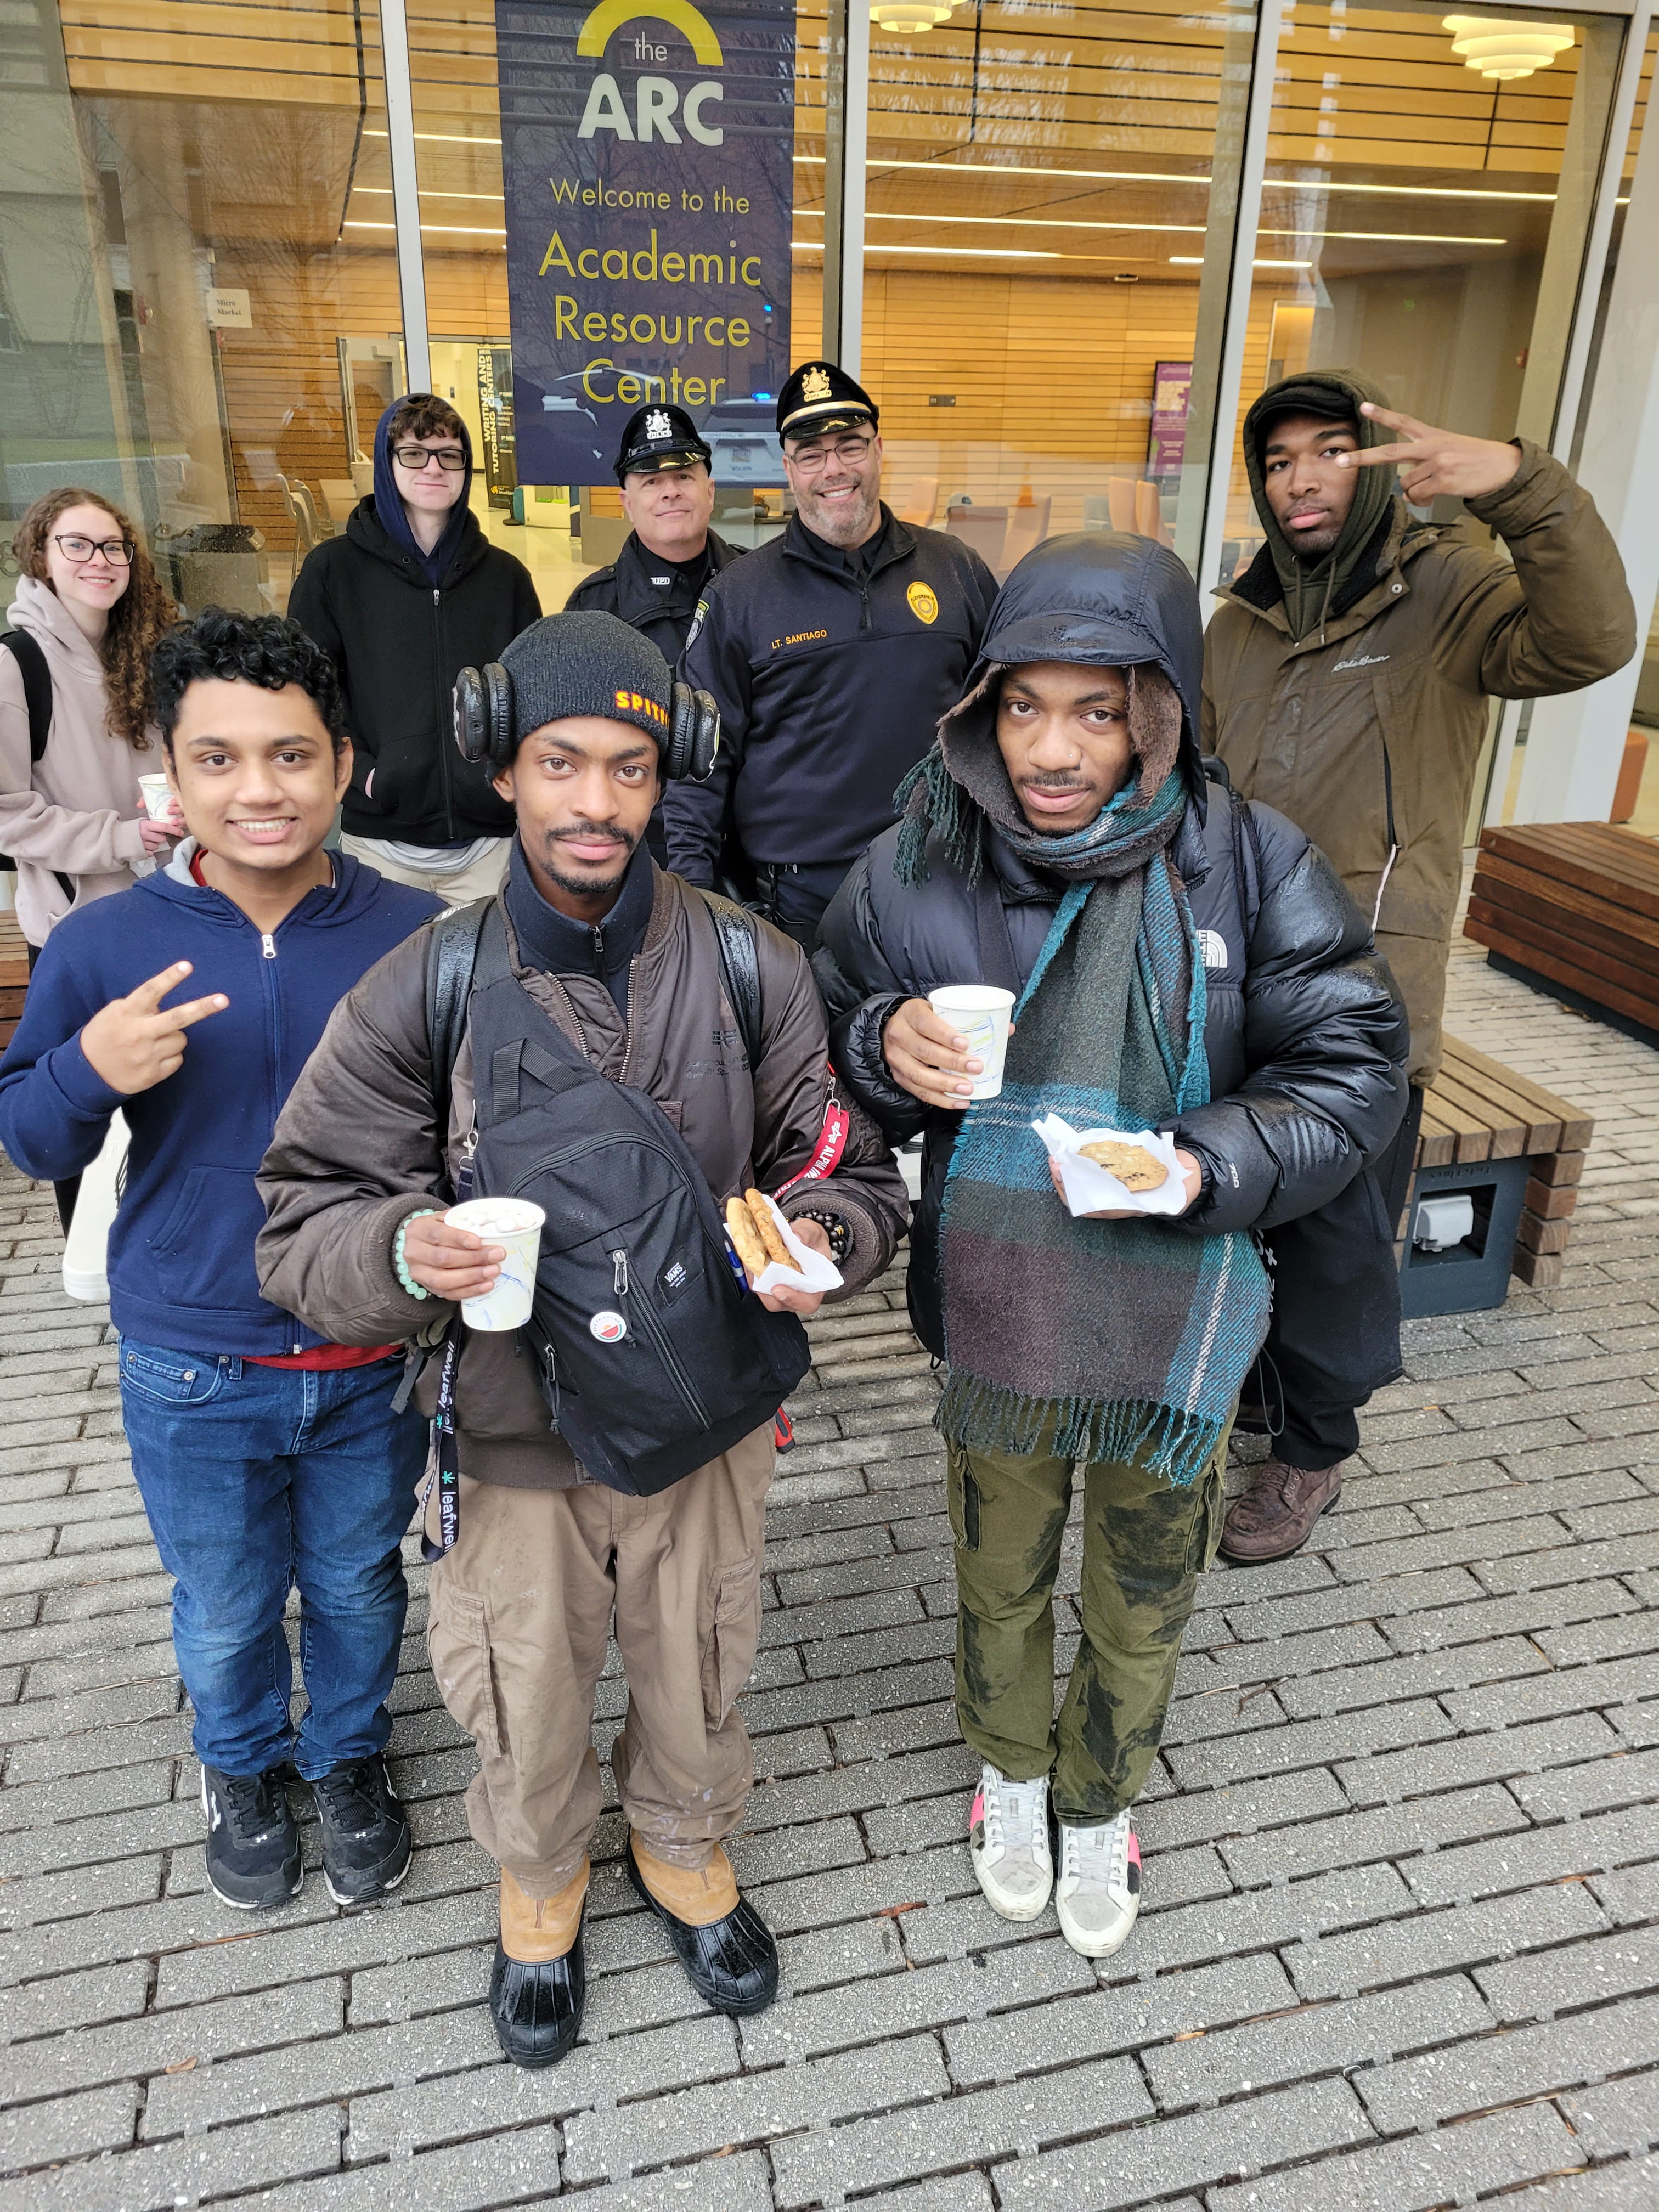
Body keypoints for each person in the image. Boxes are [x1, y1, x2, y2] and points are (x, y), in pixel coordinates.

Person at [253, 610, 907, 2068]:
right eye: (562, 763)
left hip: (712, 1410)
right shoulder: (425, 986)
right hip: (511, 1433)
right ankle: (541, 1885)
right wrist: (401, 1251)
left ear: (666, 774)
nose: (597, 802)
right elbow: (301, 1218)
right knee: (526, 1680)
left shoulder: (756, 969)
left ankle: (683, 1849)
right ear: (504, 767)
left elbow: (847, 1172)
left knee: (698, 1659)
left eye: (628, 766)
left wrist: (829, 1244)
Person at [815, 531, 1407, 1960]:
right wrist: (875, 1041)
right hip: (1002, 1309)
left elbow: (1356, 1067)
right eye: (1024, 706)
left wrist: (1206, 1159)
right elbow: (825, 1022)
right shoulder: (918, 859)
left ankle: (1102, 1791)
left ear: (1161, 710)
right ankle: (1012, 1774)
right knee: (998, 1572)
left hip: (1183, 1305)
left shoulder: (1250, 866)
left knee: (1142, 1590)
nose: (1052, 749)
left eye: (1096, 709)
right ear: (981, 707)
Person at [0, 609, 441, 1913]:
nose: (260, 789)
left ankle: (349, 1755)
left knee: (360, 1584)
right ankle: (239, 1763)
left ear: (344, 764)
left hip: (371, 1344)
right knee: (229, 1600)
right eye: (222, 759)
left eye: (292, 756)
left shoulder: (418, 934)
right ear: (175, 777)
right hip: (191, 1353)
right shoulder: (104, 945)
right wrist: (87, 1071)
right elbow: (28, 1134)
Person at [1204, 370, 1637, 1562]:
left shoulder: (1449, 589)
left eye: (1330, 450)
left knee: (1342, 1236)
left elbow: (1592, 640)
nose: (1302, 477)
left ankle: (1312, 1454)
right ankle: (1248, 1393)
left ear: (1378, 465)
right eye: (1280, 458)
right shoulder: (1235, 626)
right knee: (1240, 1208)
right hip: (1234, 979)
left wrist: (1522, 486)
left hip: (1368, 994)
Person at [663, 360, 998, 950]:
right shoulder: (740, 596)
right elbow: (699, 767)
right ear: (788, 469)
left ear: (878, 450)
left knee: (934, 1045)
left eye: (850, 445)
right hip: (796, 904)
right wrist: (693, 906)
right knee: (806, 1046)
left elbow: (1005, 714)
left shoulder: (955, 569)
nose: (835, 469)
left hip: (939, 880)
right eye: (812, 453)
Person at [287, 392, 541, 901]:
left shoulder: (505, 578)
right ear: (387, 464)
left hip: (490, 843)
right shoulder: (334, 572)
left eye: (450, 454)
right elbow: (304, 695)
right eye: (414, 452)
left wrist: (507, 777)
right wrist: (363, 773)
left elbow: (533, 692)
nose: (434, 467)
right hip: (381, 841)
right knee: (387, 979)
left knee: (489, 978)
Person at [1, 489, 182, 950]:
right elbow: (7, 816)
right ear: (41, 556)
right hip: (79, 932)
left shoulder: (157, 653)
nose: (99, 560)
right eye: (76, 544)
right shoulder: (15, 666)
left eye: (113, 546)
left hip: (177, 910)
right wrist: (122, 838)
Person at [564, 402, 743, 665]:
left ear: (710, 493)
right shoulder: (592, 608)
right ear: (629, 505)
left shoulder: (758, 583)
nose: (671, 492)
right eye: (652, 481)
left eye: (684, 477)